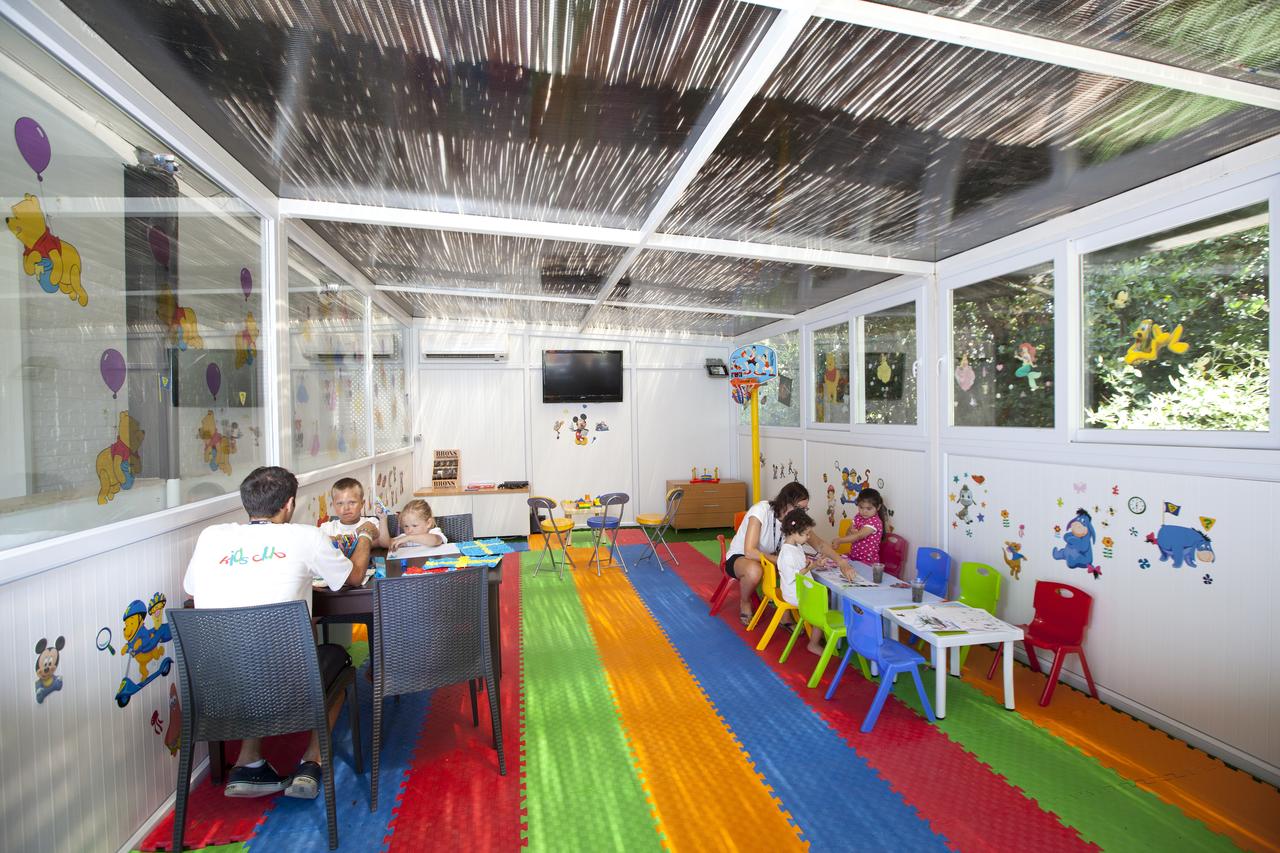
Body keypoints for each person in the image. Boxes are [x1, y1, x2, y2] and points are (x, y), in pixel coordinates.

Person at [183, 466, 363, 800]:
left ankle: (248, 762)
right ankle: (312, 762)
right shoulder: (306, 536)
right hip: (286, 687)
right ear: (289, 504)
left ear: (246, 503)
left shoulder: (211, 537)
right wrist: (365, 536)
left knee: (248, 654)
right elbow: (351, 578)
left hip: (216, 687)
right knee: (337, 658)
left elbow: (191, 590)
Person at [725, 482, 845, 625]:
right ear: (785, 503)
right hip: (740, 557)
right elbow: (750, 552)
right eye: (799, 508)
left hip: (768, 560)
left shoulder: (794, 521)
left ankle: (785, 615)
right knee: (755, 570)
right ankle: (745, 601)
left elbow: (819, 544)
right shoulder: (761, 510)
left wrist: (841, 562)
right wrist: (781, 560)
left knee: (797, 569)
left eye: (805, 509)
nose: (802, 513)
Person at [776, 509, 826, 655]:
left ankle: (818, 631)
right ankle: (814, 643)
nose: (809, 537)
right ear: (793, 532)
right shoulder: (787, 553)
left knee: (823, 597)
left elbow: (799, 566)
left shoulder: (795, 546)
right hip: (795, 594)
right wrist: (810, 567)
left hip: (799, 589)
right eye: (806, 534)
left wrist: (813, 564)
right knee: (822, 609)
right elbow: (794, 576)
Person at [319, 477, 383, 575]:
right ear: (333, 505)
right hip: (334, 577)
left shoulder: (371, 523)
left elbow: (381, 542)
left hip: (366, 575)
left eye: (352, 502)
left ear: (362, 504)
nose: (346, 508)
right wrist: (329, 540)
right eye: (340, 503)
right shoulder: (326, 528)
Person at [833, 488, 888, 565]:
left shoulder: (875, 522)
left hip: (868, 562)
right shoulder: (858, 516)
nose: (864, 511)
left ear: (878, 507)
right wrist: (850, 531)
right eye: (861, 507)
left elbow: (859, 536)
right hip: (854, 557)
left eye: (869, 508)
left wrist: (839, 540)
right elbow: (848, 534)